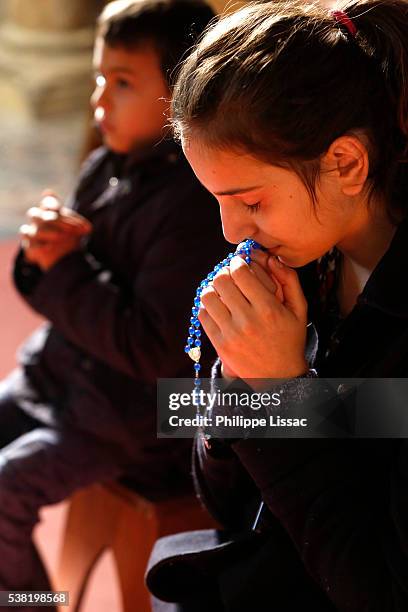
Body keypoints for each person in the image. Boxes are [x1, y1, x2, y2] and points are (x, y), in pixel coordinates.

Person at [146, 1, 408, 610]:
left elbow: (381, 588)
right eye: (215, 198)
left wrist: (279, 389)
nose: (229, 227)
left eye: (251, 201)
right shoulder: (291, 268)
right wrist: (235, 385)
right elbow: (227, 502)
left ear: (345, 162)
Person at [0, 0, 227, 604]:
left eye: (122, 82)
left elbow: (153, 348)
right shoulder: (106, 165)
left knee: (4, 490)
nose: (100, 99)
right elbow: (50, 289)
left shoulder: (196, 207)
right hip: (53, 381)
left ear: (182, 93)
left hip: (123, 423)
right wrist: (40, 252)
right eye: (99, 78)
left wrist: (66, 267)